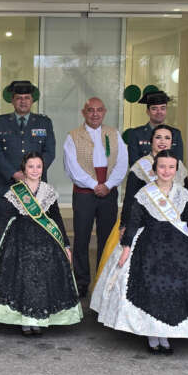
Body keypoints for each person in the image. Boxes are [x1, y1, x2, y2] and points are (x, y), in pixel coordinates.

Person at [92, 150, 188, 353]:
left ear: (176, 170)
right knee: (151, 286)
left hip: (179, 246)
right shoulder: (145, 194)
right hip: (149, 245)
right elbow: (134, 222)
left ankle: (168, 333)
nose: (166, 171)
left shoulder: (183, 194)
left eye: (171, 167)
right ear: (155, 169)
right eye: (162, 166)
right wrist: (126, 247)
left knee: (179, 285)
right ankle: (153, 335)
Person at [0, 151, 81, 335]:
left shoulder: (49, 191)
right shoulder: (14, 192)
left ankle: (39, 319)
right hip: (20, 240)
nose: (35, 170)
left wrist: (66, 244)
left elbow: (57, 218)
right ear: (24, 168)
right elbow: (4, 219)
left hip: (46, 240)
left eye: (38, 166)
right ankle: (25, 321)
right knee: (23, 278)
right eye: (31, 166)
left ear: (43, 168)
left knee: (43, 279)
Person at [93, 124, 187, 289]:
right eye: (158, 137)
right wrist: (124, 225)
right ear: (151, 141)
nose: (162, 141)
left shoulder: (178, 166)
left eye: (167, 138)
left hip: (173, 224)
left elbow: (186, 195)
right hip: (142, 224)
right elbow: (130, 199)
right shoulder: (140, 166)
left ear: (172, 142)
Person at [63, 97, 128, 297]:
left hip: (108, 194)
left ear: (105, 112)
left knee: (107, 237)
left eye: (99, 110)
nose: (95, 114)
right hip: (84, 195)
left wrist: (108, 185)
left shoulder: (114, 134)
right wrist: (94, 185)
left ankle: (103, 279)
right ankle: (82, 282)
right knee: (81, 238)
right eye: (90, 110)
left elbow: (122, 163)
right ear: (84, 112)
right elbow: (72, 168)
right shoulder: (73, 136)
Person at [0, 80, 55, 201]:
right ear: (12, 101)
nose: (23, 101)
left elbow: (50, 152)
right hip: (6, 185)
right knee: (7, 220)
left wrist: (32, 173)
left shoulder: (44, 122)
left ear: (32, 100)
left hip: (36, 185)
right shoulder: (0, 122)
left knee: (34, 220)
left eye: (27, 98)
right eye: (19, 98)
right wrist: (14, 174)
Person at [122, 88, 185, 163]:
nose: (159, 112)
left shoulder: (175, 134)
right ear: (148, 112)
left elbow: (179, 162)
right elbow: (133, 163)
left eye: (163, 108)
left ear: (166, 110)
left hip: (169, 174)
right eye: (154, 109)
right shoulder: (136, 134)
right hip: (143, 174)